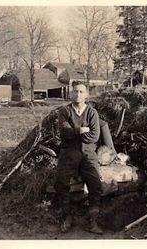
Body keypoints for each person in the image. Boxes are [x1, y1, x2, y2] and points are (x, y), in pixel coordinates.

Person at [54, 81, 103, 234]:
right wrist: (81, 130)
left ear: (86, 94)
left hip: (88, 152)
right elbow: (64, 132)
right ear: (71, 93)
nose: (78, 94)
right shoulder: (65, 111)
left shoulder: (92, 112)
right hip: (70, 152)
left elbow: (94, 136)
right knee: (61, 182)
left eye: (81, 92)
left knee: (95, 183)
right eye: (75, 91)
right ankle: (67, 216)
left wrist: (74, 133)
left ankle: (93, 220)